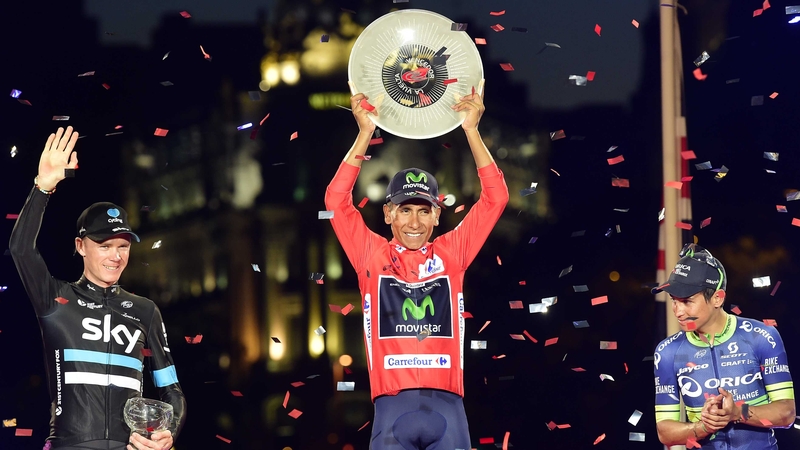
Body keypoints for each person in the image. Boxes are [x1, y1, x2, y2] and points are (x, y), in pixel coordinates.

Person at [325, 80, 508, 450]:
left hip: (449, 409)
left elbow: (495, 198)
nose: (414, 222)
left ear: (437, 216)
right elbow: (336, 200)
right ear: (388, 213)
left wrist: (471, 130)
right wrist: (364, 134)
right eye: (405, 210)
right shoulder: (369, 255)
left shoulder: (452, 253)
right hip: (391, 411)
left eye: (424, 211)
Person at [9, 127, 186, 450]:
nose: (116, 256)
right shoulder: (55, 300)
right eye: (104, 245)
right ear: (80, 246)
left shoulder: (146, 310)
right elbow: (21, 250)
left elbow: (171, 390)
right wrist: (43, 188)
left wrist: (167, 434)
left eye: (123, 246)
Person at [652, 244, 795, 449]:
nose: (678, 311)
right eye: (674, 300)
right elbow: (665, 432)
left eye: (686, 301)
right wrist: (705, 427)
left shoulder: (761, 336)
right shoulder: (667, 352)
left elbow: (787, 413)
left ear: (717, 298)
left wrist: (738, 413)